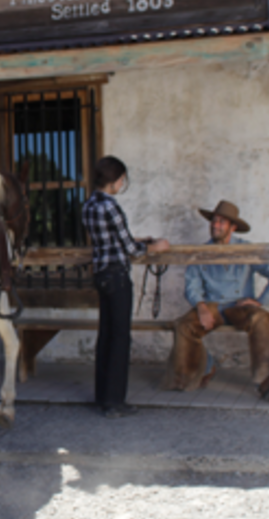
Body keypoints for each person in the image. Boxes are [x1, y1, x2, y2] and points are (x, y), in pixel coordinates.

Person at [82, 156, 171, 419]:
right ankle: (115, 402)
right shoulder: (112, 207)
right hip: (118, 277)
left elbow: (110, 240)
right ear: (117, 180)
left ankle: (102, 396)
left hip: (101, 274)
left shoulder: (88, 205)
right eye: (122, 180)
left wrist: (137, 239)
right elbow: (131, 250)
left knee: (106, 335)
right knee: (120, 338)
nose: (122, 184)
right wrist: (156, 247)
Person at [168, 200, 269, 402]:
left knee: (262, 319)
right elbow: (191, 285)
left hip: (239, 305)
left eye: (221, 222)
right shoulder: (201, 252)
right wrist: (200, 306)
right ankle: (200, 370)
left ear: (232, 227)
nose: (215, 225)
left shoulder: (246, 249)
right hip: (213, 307)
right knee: (183, 325)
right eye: (214, 221)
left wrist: (260, 301)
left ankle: (267, 380)